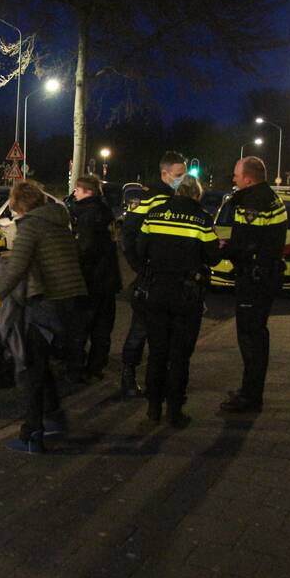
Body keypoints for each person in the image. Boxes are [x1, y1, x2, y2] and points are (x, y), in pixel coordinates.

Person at [0, 181, 86, 454]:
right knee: (41, 361)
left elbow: (17, 266)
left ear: (20, 205)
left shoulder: (31, 226)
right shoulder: (59, 222)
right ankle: (55, 417)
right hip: (71, 301)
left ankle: (32, 434)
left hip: (47, 304)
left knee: (30, 368)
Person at [137, 176, 221, 427]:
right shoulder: (202, 219)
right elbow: (214, 257)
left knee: (157, 352)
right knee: (180, 355)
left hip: (157, 291)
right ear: (197, 195)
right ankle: (174, 411)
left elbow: (141, 249)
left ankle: (153, 407)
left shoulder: (154, 215)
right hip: (186, 294)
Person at [219, 156, 288, 414]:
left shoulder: (252, 204)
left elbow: (247, 244)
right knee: (257, 336)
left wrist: (224, 249)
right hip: (265, 276)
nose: (233, 177)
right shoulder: (270, 197)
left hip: (254, 279)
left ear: (248, 178)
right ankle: (251, 391)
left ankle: (250, 397)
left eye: (236, 174)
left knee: (250, 339)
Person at [119, 151, 187, 398]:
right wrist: (139, 266)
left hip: (172, 277)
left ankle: (158, 380)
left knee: (165, 334)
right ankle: (128, 375)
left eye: (184, 174)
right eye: (178, 175)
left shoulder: (180, 198)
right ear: (164, 174)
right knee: (140, 329)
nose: (182, 179)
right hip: (151, 277)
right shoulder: (149, 200)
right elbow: (128, 235)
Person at [68, 175, 122, 382]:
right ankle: (96, 366)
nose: (75, 194)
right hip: (108, 280)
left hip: (90, 280)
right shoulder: (105, 211)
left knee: (80, 326)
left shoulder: (87, 214)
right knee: (102, 327)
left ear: (88, 192)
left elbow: (86, 248)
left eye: (78, 190)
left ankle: (76, 370)